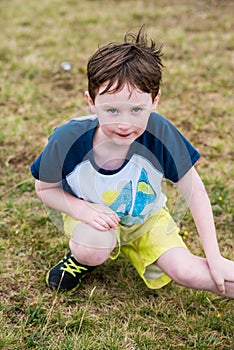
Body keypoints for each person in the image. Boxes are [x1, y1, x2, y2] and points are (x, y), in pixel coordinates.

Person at [31, 26, 234, 297]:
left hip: (147, 220)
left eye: (137, 109)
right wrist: (83, 210)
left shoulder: (160, 132)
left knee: (188, 273)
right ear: (91, 102)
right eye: (112, 110)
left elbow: (194, 191)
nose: (125, 124)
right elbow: (44, 188)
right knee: (93, 247)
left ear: (155, 100)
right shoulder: (69, 138)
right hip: (94, 222)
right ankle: (81, 260)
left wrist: (216, 258)